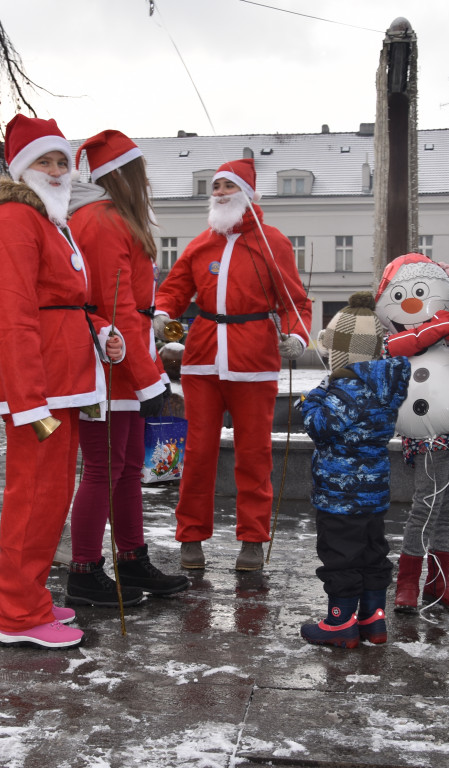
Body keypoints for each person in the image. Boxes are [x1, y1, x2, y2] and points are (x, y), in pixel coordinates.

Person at [0, 115, 124, 649]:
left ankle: (24, 595)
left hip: (65, 379)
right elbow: (13, 315)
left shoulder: (51, 222)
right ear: (21, 170)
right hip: (42, 389)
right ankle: (16, 614)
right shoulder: (10, 218)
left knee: (49, 496)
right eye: (44, 161)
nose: (56, 170)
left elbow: (63, 305)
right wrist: (29, 400)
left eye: (61, 161)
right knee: (33, 497)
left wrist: (103, 334)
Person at [153, 158, 312, 571]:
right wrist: (163, 312)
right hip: (203, 357)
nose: (220, 193)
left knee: (253, 454)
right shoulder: (201, 243)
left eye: (228, 186)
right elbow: (174, 288)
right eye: (216, 187)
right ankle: (190, 537)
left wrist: (296, 335)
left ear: (246, 194)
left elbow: (295, 302)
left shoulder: (272, 242)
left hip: (253, 359)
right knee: (199, 452)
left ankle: (253, 540)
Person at [65, 129, 189, 606]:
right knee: (103, 468)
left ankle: (131, 559)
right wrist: (148, 379)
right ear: (123, 174)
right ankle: (84, 568)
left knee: (126, 467)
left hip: (125, 360)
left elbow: (131, 310)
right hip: (109, 363)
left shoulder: (113, 218)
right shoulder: (100, 221)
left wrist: (148, 372)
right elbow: (115, 307)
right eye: (141, 172)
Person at [300, 292, 410, 648]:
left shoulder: (345, 390)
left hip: (340, 498)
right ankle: (372, 619)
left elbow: (319, 427)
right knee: (372, 552)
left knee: (340, 557)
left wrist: (312, 398)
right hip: (373, 495)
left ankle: (339, 622)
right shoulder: (383, 387)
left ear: (342, 351)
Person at [375, 253, 449, 613]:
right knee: (426, 505)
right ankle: (407, 583)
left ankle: (438, 582)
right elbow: (397, 349)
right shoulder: (400, 331)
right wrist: (441, 323)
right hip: (429, 430)